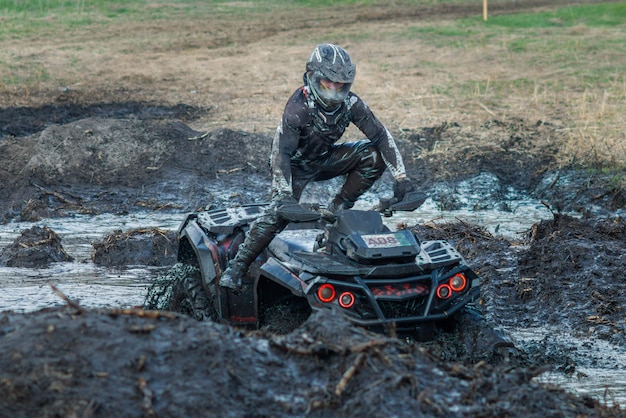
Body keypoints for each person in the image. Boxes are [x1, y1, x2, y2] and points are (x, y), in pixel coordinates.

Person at [219, 43, 416, 290]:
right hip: (293, 166)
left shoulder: (353, 104)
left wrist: (401, 178)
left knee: (373, 155)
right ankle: (237, 267)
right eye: (327, 84)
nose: (334, 92)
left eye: (341, 86)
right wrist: (284, 195)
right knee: (276, 215)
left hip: (325, 158)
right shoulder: (297, 109)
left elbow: (381, 136)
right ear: (312, 77)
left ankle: (336, 209)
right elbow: (281, 153)